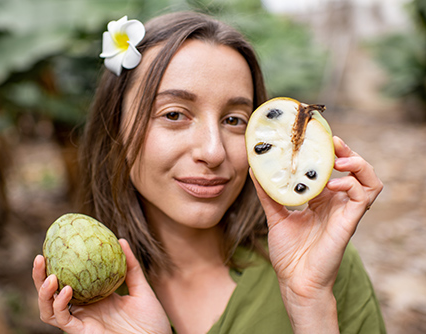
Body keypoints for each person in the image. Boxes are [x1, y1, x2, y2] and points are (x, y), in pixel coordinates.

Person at [32, 11, 386, 334]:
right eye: (174, 114)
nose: (213, 152)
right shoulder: (91, 302)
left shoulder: (319, 266)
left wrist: (310, 303)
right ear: (115, 127)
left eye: (234, 120)